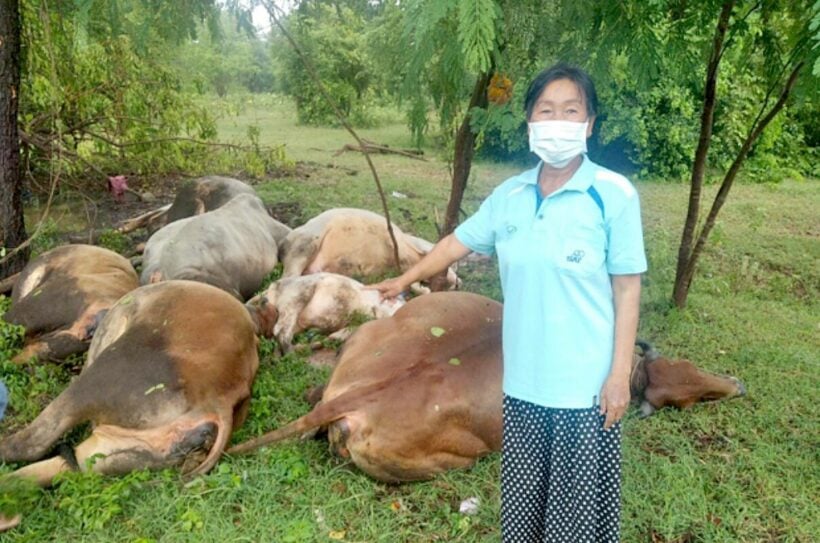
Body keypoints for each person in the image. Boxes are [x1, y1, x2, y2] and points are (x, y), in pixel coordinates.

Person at [370, 63, 646, 542]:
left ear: (590, 124)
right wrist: (404, 279)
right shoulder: (511, 195)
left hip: (584, 391)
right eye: (546, 110)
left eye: (571, 110)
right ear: (530, 122)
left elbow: (627, 288)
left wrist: (619, 376)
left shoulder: (613, 196)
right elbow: (457, 242)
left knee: (574, 521)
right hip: (521, 386)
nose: (557, 120)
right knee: (523, 515)